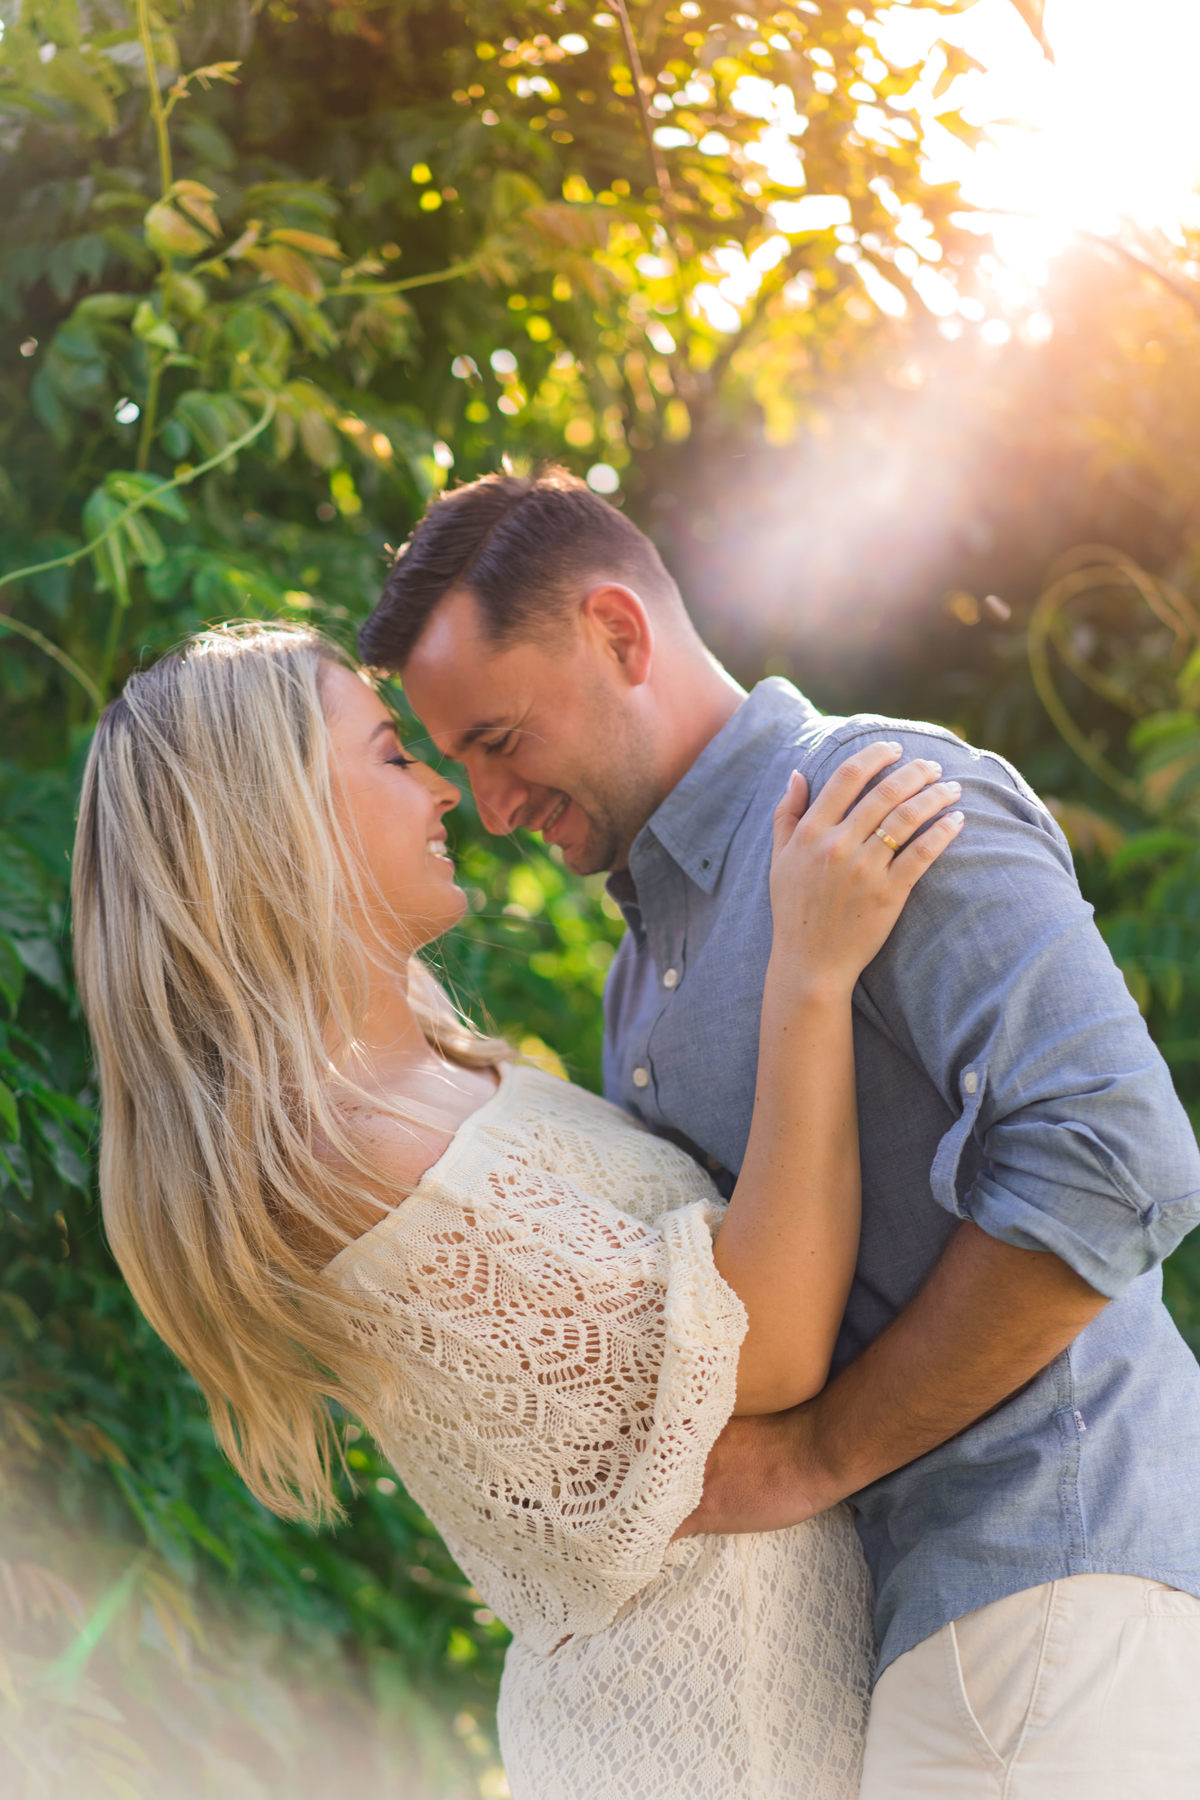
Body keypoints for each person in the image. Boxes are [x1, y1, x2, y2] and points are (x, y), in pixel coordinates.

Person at [359, 465, 1200, 1798]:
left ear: (620, 635)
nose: (495, 803)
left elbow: (1119, 1159)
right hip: (910, 1632)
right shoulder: (637, 978)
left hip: (1050, 1577)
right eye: (456, 758)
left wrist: (821, 1455)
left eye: (499, 738)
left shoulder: (884, 796)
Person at [72, 620, 964, 1799]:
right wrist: (809, 969)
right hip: (704, 1752)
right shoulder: (349, 1157)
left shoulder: (441, 1074)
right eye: (393, 756)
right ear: (271, 816)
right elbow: (764, 1353)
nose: (446, 793)